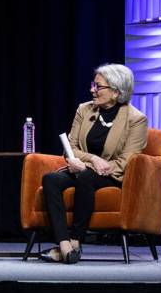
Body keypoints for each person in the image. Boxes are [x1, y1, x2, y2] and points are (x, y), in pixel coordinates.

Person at [39, 63, 147, 264]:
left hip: (111, 175)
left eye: (98, 86)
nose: (92, 90)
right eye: (93, 85)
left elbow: (126, 161)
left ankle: (76, 241)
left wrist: (87, 166)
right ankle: (64, 245)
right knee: (50, 179)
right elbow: (70, 148)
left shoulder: (136, 120)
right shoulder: (84, 109)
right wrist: (93, 159)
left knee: (87, 177)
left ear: (116, 92)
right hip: (81, 168)